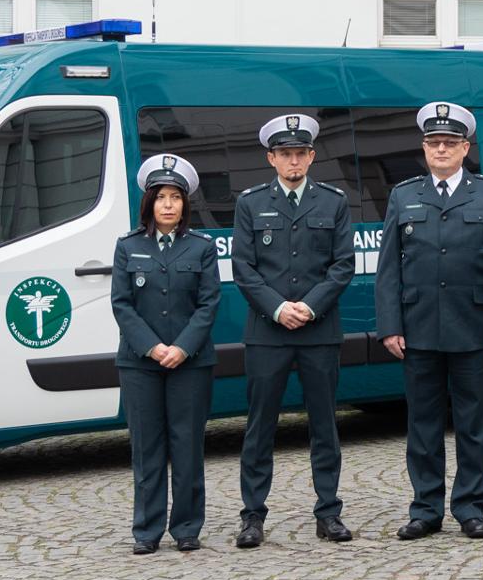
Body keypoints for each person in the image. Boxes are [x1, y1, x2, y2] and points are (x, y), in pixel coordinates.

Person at [375, 102, 483, 541]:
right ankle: (425, 508)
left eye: (449, 143)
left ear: (465, 148)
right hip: (418, 328)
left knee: (473, 424)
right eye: (433, 143)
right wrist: (390, 325)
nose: (441, 149)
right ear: (424, 148)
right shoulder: (404, 195)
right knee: (421, 424)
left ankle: (471, 507)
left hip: (472, 326)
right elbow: (389, 269)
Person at [231, 114, 357, 548]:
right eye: (285, 154)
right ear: (271, 158)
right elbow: (243, 269)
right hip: (268, 333)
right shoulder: (250, 203)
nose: (293, 160)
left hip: (319, 332)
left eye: (300, 153)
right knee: (259, 427)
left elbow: (343, 265)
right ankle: (252, 516)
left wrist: (309, 306)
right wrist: (279, 308)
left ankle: (328, 513)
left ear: (311, 156)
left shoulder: (332, 202)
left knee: (325, 426)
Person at [111, 153, 222, 556]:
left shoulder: (201, 248)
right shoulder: (128, 246)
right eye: (161, 197)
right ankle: (147, 529)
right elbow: (121, 304)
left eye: (176, 197)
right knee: (147, 446)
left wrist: (182, 348)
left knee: (188, 444)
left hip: (190, 363)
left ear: (185, 204)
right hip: (140, 363)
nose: (169, 205)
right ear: (150, 204)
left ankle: (188, 527)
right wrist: (154, 347)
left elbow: (209, 304)